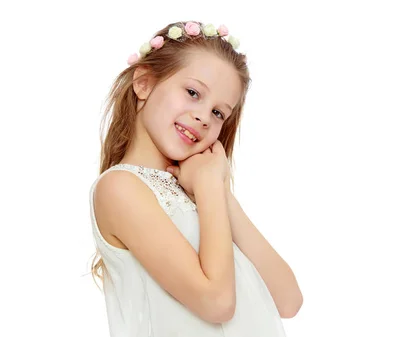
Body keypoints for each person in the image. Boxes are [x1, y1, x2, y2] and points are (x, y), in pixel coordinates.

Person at [88, 20, 303, 337]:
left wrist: (216, 190)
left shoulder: (202, 192)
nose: (204, 116)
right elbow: (216, 303)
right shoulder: (120, 188)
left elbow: (288, 301)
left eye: (219, 113)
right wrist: (208, 189)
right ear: (144, 83)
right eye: (192, 93)